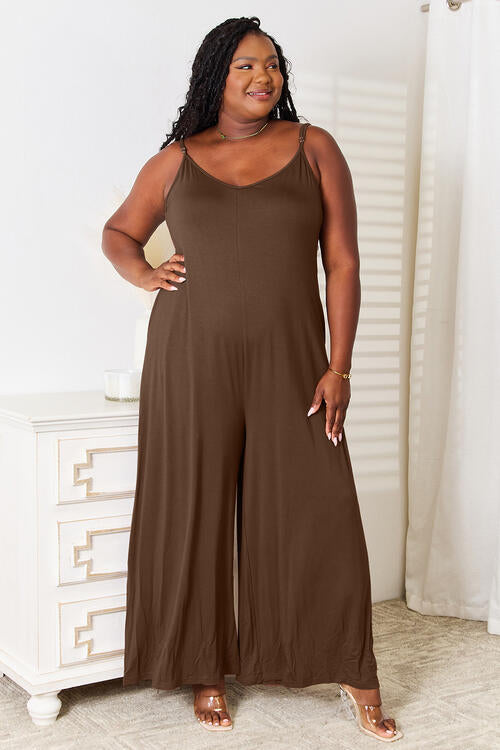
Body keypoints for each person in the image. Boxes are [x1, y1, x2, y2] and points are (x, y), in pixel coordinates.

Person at [101, 15, 402, 742]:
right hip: (189, 356)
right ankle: (204, 667)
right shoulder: (176, 160)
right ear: (216, 76)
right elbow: (119, 232)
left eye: (271, 64)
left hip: (292, 360)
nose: (263, 76)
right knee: (195, 508)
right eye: (245, 65)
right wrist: (145, 272)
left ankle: (352, 668)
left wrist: (339, 365)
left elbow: (344, 261)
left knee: (319, 509)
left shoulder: (313, 147)